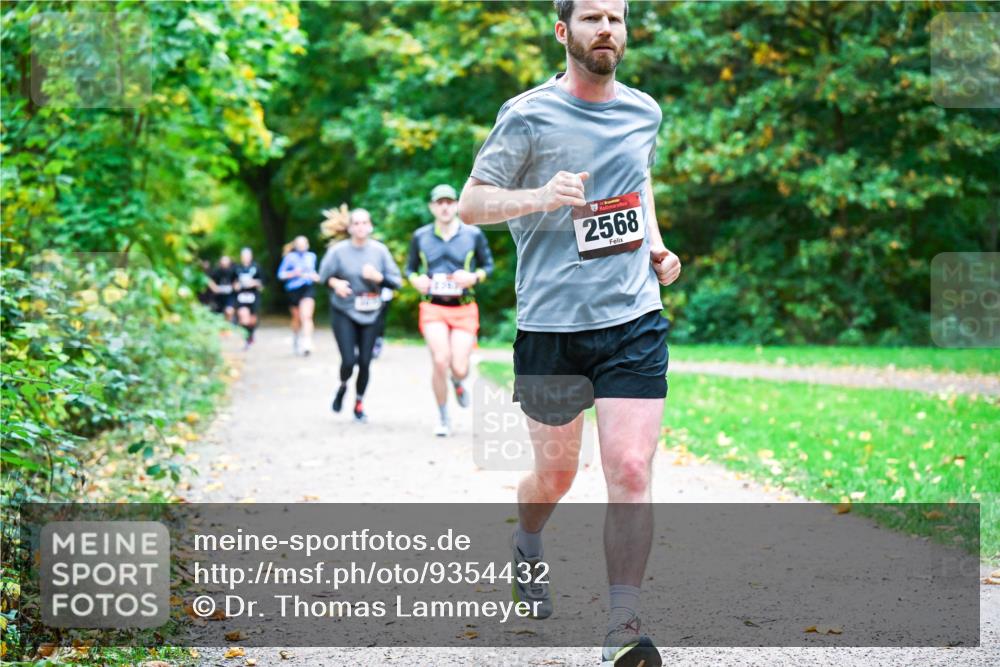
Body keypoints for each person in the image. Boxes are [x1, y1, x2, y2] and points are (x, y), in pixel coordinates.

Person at [457, 1, 682, 665]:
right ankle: (527, 540)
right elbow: (472, 203)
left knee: (632, 468)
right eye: (590, 19)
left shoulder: (645, 111)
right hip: (551, 325)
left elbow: (636, 185)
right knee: (554, 475)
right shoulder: (527, 114)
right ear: (564, 32)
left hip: (632, 319)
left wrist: (658, 250)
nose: (604, 29)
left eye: (614, 18)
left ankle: (623, 624)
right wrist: (539, 197)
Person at [405, 184, 495, 437]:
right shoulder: (420, 236)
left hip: (464, 308)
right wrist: (415, 280)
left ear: (456, 205)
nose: (444, 207)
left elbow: (488, 267)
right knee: (440, 359)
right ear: (432, 207)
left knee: (459, 367)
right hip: (433, 306)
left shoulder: (473, 235)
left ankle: (457, 381)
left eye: (449, 202)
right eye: (439, 203)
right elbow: (410, 269)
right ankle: (443, 416)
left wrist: (473, 277)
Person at [318, 208, 402, 423]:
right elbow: (323, 277)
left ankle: (359, 402)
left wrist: (378, 277)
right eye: (356, 223)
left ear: (371, 226)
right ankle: (343, 386)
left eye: (364, 222)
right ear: (349, 227)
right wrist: (335, 283)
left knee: (365, 362)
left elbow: (397, 282)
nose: (360, 227)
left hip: (372, 313)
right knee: (348, 360)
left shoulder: (380, 251)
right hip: (344, 310)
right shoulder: (338, 251)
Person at [277, 236, 320, 356]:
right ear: (295, 246)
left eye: (304, 244)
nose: (302, 247)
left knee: (307, 316)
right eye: (299, 244)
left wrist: (315, 276)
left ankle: (307, 342)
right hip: (293, 290)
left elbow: (313, 272)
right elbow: (280, 275)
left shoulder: (312, 256)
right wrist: (293, 273)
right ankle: (296, 338)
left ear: (307, 245)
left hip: (308, 288)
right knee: (297, 318)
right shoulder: (290, 257)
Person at [234, 247, 264, 348]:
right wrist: (236, 285)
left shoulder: (256, 267)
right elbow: (232, 282)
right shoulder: (236, 268)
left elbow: (262, 282)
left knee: (252, 320)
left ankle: (251, 335)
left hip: (253, 295)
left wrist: (254, 283)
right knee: (243, 318)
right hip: (241, 296)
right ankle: (247, 338)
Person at [207, 255, 237, 322]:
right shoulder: (216, 271)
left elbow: (237, 281)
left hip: (229, 297)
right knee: (217, 315)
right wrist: (214, 287)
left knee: (229, 311)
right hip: (218, 297)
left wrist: (234, 286)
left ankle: (228, 327)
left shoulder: (234, 271)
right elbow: (209, 279)